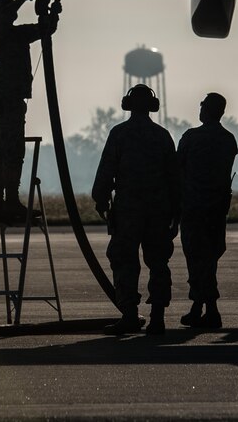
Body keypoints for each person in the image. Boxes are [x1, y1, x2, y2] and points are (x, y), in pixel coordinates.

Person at [91, 84, 179, 335]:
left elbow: (107, 169)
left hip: (128, 209)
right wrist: (176, 213)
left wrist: (101, 199)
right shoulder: (162, 136)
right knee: (159, 262)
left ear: (128, 104)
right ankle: (158, 317)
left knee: (124, 260)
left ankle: (129, 314)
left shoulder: (119, 134)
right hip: (158, 209)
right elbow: (174, 178)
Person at [0, 0, 59, 222]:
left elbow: (45, 31)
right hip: (4, 100)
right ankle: (0, 203)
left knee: (14, 151)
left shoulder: (16, 34)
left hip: (13, 100)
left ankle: (10, 201)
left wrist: (49, 13)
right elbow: (7, 15)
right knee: (4, 151)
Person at [177, 92, 238, 329]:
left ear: (207, 109)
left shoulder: (192, 138)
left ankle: (208, 309)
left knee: (197, 260)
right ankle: (201, 309)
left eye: (202, 106)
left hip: (194, 209)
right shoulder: (228, 139)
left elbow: (177, 170)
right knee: (209, 260)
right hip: (216, 210)